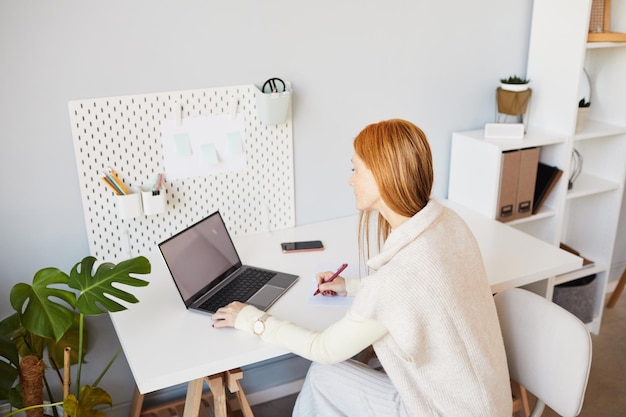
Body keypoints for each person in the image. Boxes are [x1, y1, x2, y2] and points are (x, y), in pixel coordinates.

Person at [212, 119, 512, 416]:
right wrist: (353, 287)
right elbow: (424, 293)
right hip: (486, 401)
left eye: (356, 169)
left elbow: (324, 348)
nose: (350, 180)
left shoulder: (395, 282)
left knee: (321, 375)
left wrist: (252, 320)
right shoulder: (448, 222)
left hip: (443, 410)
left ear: (383, 176)